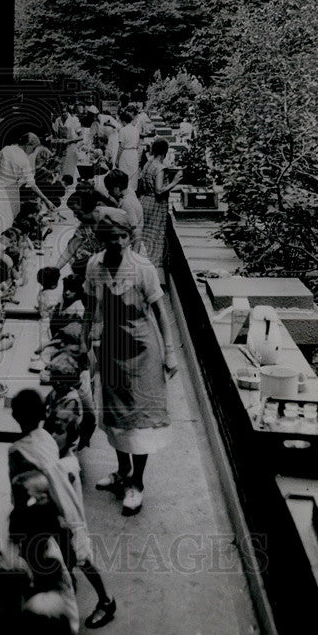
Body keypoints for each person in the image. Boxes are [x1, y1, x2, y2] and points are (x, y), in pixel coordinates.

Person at [82, 208, 178, 516]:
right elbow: (90, 309)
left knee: (140, 420)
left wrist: (170, 351)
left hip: (142, 350)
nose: (118, 243)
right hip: (111, 349)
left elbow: (161, 313)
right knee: (116, 418)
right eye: (111, 238)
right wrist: (87, 346)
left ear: (128, 236)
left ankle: (137, 482)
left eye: (123, 237)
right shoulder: (94, 266)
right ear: (101, 239)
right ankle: (122, 472)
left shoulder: (143, 268)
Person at [8, 389, 115, 629]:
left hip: (49, 513)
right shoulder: (44, 437)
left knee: (67, 557)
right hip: (66, 505)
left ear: (14, 415)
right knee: (78, 555)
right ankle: (104, 599)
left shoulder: (17, 450)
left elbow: (20, 488)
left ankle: (99, 604)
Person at [0, 132, 56, 246]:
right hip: (9, 193)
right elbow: (32, 184)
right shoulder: (23, 160)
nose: (33, 152)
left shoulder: (6, 149)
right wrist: (46, 200)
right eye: (33, 148)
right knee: (4, 225)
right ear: (28, 145)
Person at [138, 137, 183, 279]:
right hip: (156, 204)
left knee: (145, 237)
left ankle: (140, 267)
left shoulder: (147, 164)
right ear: (165, 152)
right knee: (155, 238)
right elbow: (158, 190)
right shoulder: (160, 168)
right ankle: (150, 274)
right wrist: (174, 182)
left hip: (144, 201)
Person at [101, 168, 145, 254]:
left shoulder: (126, 204)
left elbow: (136, 231)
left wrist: (134, 255)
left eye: (110, 189)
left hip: (132, 246)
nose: (109, 193)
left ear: (117, 188)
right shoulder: (130, 192)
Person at [52, 106, 81, 181]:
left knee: (70, 169)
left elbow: (81, 137)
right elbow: (55, 135)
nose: (63, 114)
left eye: (65, 112)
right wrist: (56, 140)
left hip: (71, 146)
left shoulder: (74, 120)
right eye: (62, 112)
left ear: (68, 111)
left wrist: (69, 141)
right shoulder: (58, 120)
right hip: (61, 147)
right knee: (60, 168)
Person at [116, 107, 140, 191]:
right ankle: (133, 192)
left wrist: (117, 160)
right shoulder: (135, 130)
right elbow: (138, 144)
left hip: (125, 153)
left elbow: (121, 147)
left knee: (124, 175)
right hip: (134, 153)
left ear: (123, 121)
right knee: (133, 176)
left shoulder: (123, 130)